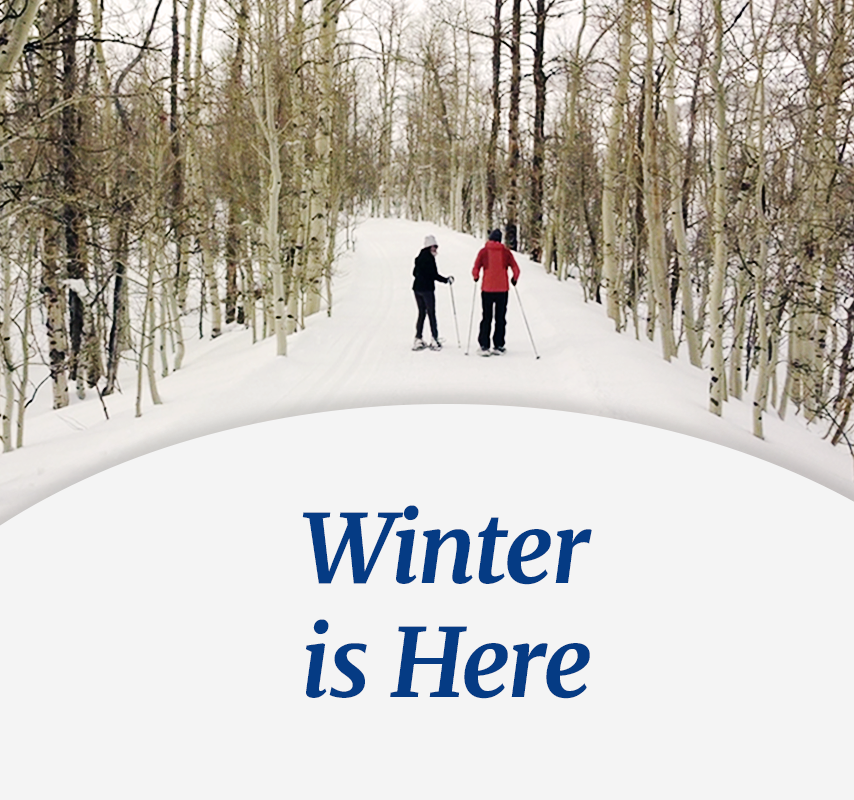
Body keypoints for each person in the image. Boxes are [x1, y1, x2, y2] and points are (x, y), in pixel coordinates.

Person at [472, 228, 520, 355]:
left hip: (487, 289)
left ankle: (484, 345)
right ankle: (498, 344)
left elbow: (476, 267)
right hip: (502, 290)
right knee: (500, 317)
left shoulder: (483, 252)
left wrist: (476, 276)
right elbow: (515, 268)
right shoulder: (506, 252)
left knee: (486, 317)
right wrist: (514, 279)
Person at [412, 234, 453, 350]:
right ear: (429, 247)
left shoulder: (419, 257)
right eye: (434, 247)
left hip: (417, 289)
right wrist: (446, 280)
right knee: (431, 313)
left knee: (421, 313)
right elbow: (434, 275)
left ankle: (418, 337)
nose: (435, 249)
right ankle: (434, 338)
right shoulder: (429, 258)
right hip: (427, 290)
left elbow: (414, 273)